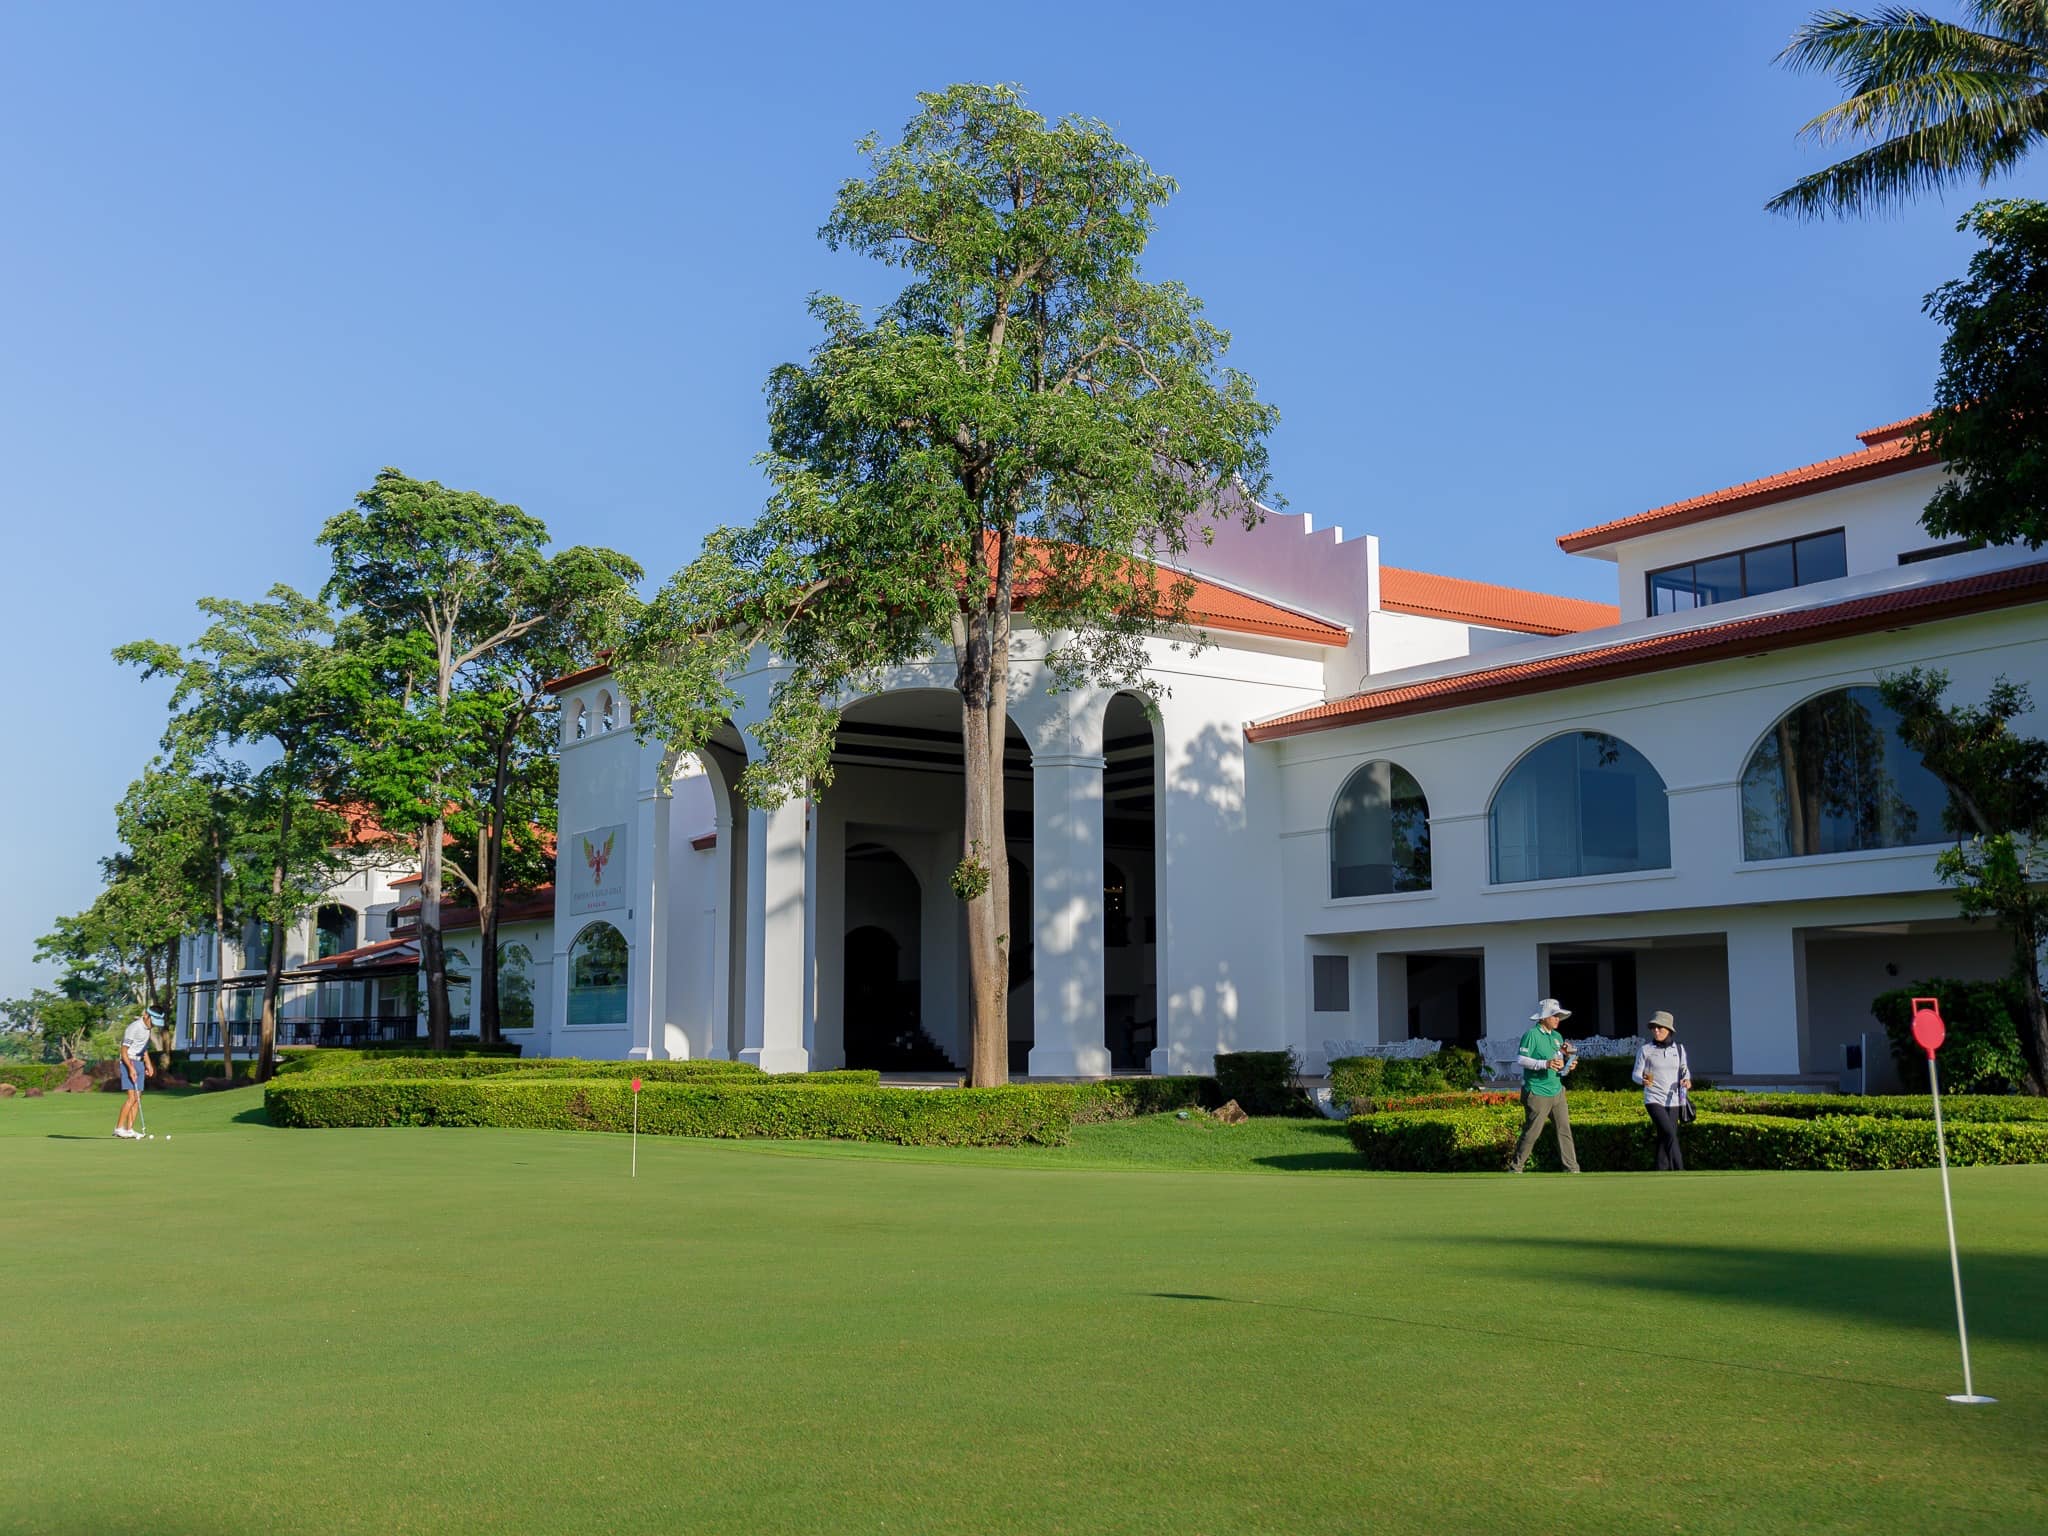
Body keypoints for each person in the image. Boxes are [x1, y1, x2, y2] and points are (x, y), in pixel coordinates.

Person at [1509, 999, 1580, 1173]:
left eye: (1558, 1016)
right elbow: (1521, 1059)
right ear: (1543, 1018)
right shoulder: (1531, 1035)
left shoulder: (1557, 1037)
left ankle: (1572, 1168)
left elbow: (1558, 1065)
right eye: (1554, 1016)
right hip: (1537, 1091)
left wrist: (1568, 1065)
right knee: (1532, 1132)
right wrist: (1545, 1064)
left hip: (1557, 1090)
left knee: (1564, 1130)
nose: (1557, 1019)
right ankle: (1516, 1167)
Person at [1632, 1010, 1691, 1171]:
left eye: (1660, 1027)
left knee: (1664, 1136)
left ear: (1669, 1030)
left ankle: (1661, 1172)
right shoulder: (1645, 1050)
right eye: (1653, 1028)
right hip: (1653, 1099)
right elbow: (1635, 1074)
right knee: (1669, 1134)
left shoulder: (1679, 1049)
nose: (1656, 1031)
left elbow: (1684, 1069)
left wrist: (1687, 1080)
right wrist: (1642, 1080)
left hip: (1674, 1100)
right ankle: (1680, 1170)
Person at [113, 1010, 154, 1140]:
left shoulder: (148, 1029)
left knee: (137, 1097)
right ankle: (119, 1128)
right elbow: (123, 1050)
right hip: (128, 1061)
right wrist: (130, 1068)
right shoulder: (134, 1028)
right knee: (131, 1097)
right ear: (146, 1016)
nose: (153, 1024)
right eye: (152, 1021)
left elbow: (143, 1048)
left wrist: (148, 1064)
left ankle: (129, 1129)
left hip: (139, 1062)